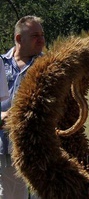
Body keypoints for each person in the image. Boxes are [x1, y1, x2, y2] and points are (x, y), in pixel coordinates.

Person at [1, 16, 44, 199]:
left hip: (38, 147)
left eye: (42, 35)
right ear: (19, 39)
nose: (41, 40)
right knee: (8, 195)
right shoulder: (1, 64)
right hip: (4, 146)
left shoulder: (48, 66)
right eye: (35, 35)